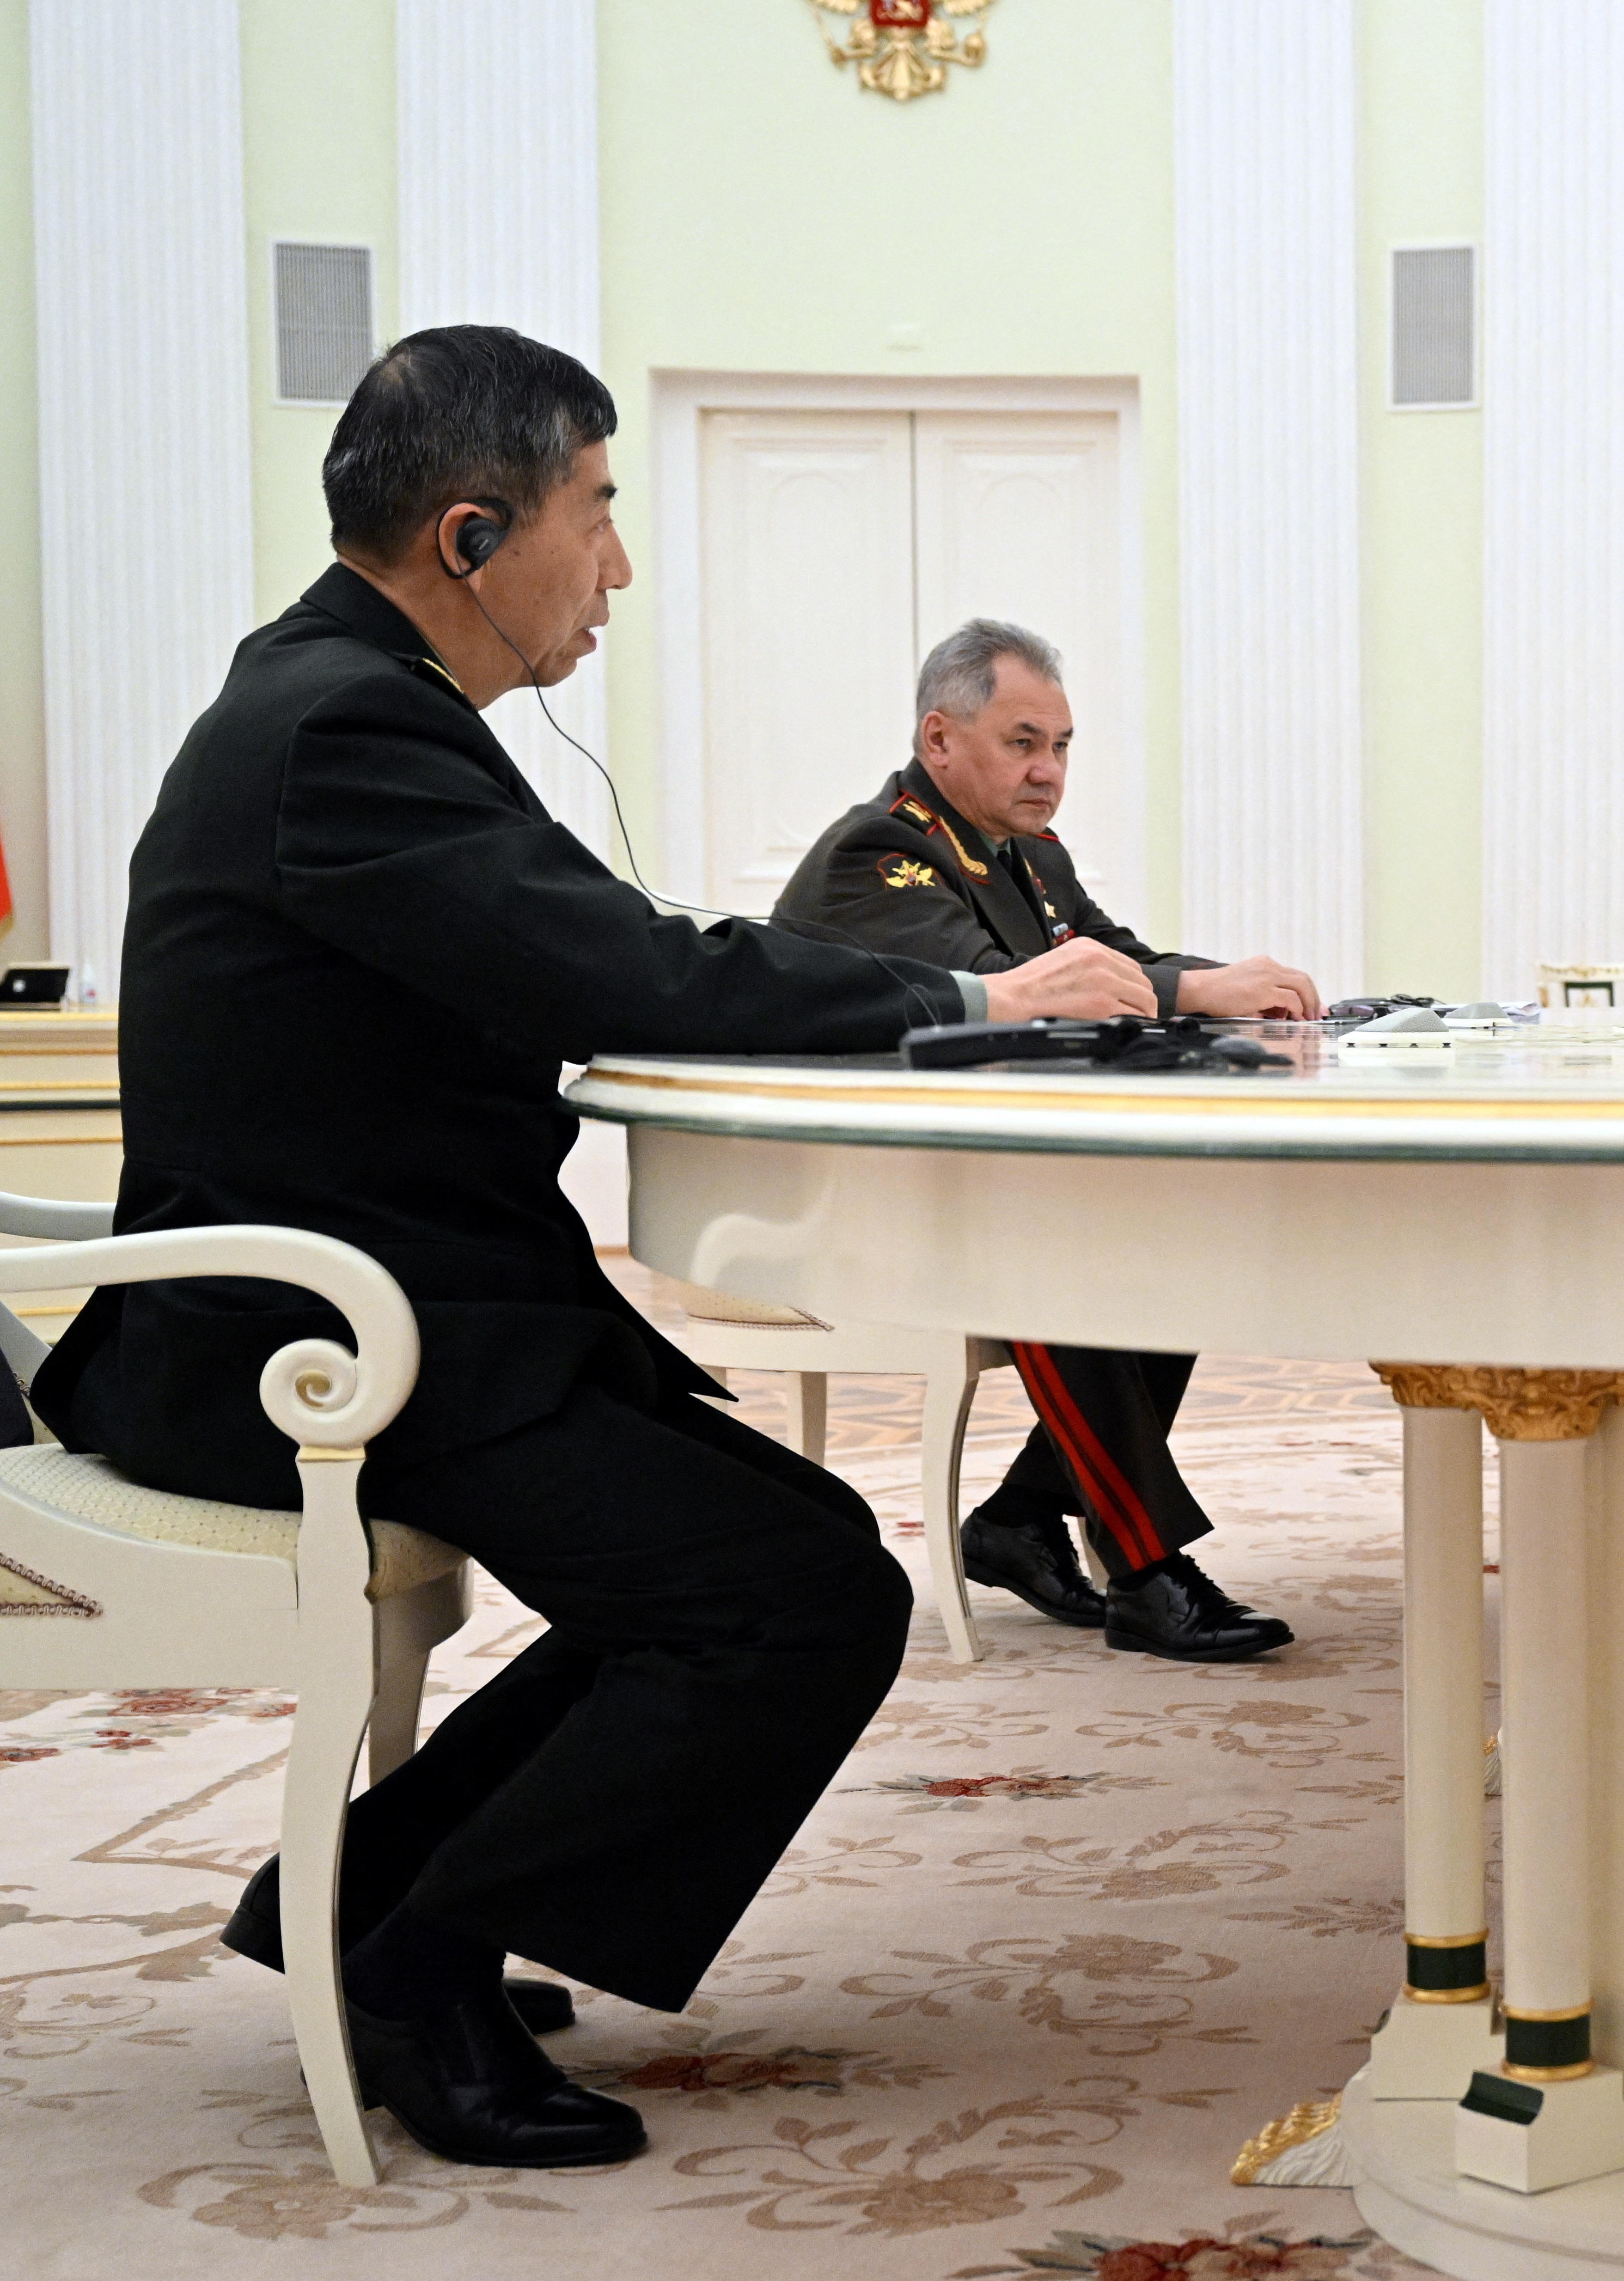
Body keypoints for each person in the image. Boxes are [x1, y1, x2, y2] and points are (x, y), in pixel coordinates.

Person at [32, 325, 1159, 2169]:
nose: (618, 568)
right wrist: (975, 1000)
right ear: (474, 536)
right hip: (307, 1346)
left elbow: (591, 943)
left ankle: (361, 1890)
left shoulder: (351, 695)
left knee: (803, 1553)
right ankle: (417, 1963)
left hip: (393, 1308)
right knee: (788, 1600)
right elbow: (626, 968)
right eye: (599, 513)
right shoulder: (349, 728)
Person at [768, 619, 1320, 1663]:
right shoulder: (880, 854)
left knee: (1170, 1237)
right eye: (1023, 742)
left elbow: (1119, 960)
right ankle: (1145, 1571)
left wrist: (1234, 986)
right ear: (939, 739)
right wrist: (1195, 992)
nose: (1049, 770)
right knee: (1061, 1247)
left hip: (972, 1179)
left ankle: (1020, 1521)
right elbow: (1013, 999)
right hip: (847, 1201)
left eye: (1061, 745)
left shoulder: (1031, 855)